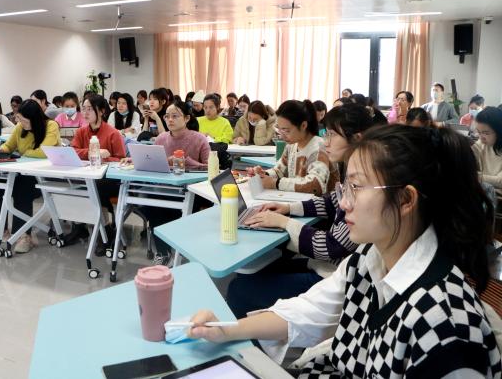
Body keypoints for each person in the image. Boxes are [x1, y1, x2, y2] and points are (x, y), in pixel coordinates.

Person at [189, 124, 501, 377]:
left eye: (357, 186)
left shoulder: (445, 325)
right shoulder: (369, 259)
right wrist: (225, 330)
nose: (345, 203)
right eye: (346, 187)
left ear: (406, 200)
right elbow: (308, 311)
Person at [227, 103, 374, 318]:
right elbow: (332, 200)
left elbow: (333, 246)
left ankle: (259, 333)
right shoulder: (351, 168)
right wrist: (287, 207)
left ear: (357, 138)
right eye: (326, 134)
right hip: (330, 263)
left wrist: (283, 221)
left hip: (337, 276)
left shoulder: (363, 180)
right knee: (255, 273)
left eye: (332, 135)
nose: (326, 141)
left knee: (238, 289)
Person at [122, 100, 211, 265]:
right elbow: (152, 161)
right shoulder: (162, 138)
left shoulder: (199, 139)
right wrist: (134, 160)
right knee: (149, 202)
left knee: (164, 207)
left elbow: (210, 168)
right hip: (165, 188)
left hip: (191, 190)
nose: (170, 119)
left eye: (175, 116)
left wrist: (184, 161)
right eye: (167, 116)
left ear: (186, 118)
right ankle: (164, 252)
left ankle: (171, 249)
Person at [0, 100, 60, 251]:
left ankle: (24, 236)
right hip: (22, 172)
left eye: (24, 120)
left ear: (35, 118)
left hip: (44, 177)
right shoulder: (20, 128)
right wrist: (1, 150)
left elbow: (44, 151)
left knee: (22, 188)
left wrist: (22, 154)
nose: (21, 123)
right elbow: (9, 146)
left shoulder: (51, 126)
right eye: (19, 119)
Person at [72, 95, 125, 254]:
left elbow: (121, 160)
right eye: (83, 109)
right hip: (88, 175)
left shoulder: (113, 133)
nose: (85, 113)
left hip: (110, 180)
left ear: (101, 111)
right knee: (74, 184)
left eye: (90, 109)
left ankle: (106, 230)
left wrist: (105, 157)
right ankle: (79, 226)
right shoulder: (81, 131)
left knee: (97, 185)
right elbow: (74, 151)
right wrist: (92, 153)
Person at [248, 100, 336, 196]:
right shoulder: (291, 145)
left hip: (319, 203)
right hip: (297, 200)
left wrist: (275, 183)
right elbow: (279, 171)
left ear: (303, 125)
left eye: (286, 130)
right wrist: (264, 174)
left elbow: (316, 185)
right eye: (279, 129)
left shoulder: (319, 148)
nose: (282, 135)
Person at [474, 106, 502, 196]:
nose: (481, 137)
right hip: (482, 190)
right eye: (479, 132)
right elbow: (470, 154)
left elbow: (500, 181)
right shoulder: (482, 143)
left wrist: (475, 176)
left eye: (486, 133)